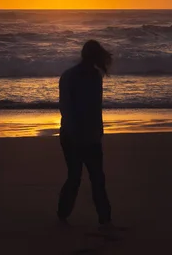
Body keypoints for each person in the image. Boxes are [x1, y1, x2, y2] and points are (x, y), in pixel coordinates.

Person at [57, 40, 115, 232]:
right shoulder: (74, 77)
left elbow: (92, 109)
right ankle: (102, 219)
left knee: (82, 177)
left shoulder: (88, 76)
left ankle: (102, 218)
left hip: (83, 135)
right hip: (75, 135)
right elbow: (69, 109)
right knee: (88, 177)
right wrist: (86, 133)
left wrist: (98, 131)